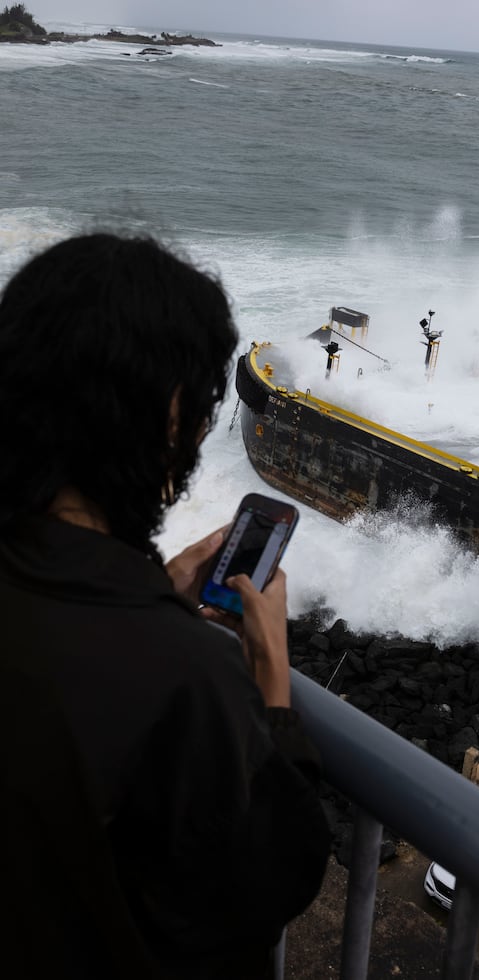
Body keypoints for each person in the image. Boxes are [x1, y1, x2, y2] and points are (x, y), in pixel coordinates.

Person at [0, 233, 332, 979]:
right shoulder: (186, 678)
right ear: (171, 417)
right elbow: (266, 876)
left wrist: (150, 588)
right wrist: (271, 678)